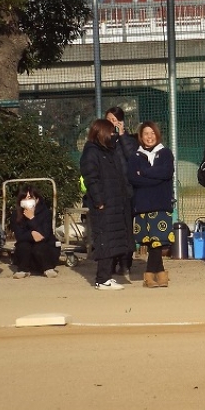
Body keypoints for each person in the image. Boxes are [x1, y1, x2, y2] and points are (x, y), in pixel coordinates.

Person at [80, 119, 134, 290]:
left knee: (113, 241)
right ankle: (102, 279)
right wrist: (99, 201)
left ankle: (106, 277)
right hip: (103, 205)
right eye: (110, 132)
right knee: (105, 240)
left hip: (115, 202)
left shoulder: (109, 150)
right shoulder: (91, 152)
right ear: (101, 133)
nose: (113, 135)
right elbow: (91, 179)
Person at [127, 121, 175, 287]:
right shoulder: (135, 156)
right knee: (151, 241)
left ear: (157, 135)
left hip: (161, 203)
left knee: (158, 240)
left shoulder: (165, 153)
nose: (149, 137)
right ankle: (159, 274)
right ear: (141, 136)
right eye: (146, 134)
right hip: (143, 204)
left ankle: (151, 274)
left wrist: (144, 173)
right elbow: (133, 178)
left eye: (152, 133)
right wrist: (156, 180)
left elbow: (167, 172)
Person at [105, 106, 138, 278]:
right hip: (109, 192)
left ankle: (125, 263)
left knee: (126, 228)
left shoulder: (129, 140)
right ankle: (111, 261)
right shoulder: (102, 141)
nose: (112, 124)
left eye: (115, 120)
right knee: (110, 228)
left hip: (127, 192)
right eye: (109, 120)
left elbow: (133, 157)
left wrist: (122, 135)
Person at [10, 186, 60, 279]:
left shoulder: (45, 213)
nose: (27, 201)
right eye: (24, 198)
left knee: (40, 247)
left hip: (45, 248)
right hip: (26, 247)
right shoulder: (16, 214)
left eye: (30, 198)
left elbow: (45, 235)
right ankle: (23, 269)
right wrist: (31, 234)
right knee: (23, 246)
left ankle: (47, 268)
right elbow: (19, 235)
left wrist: (32, 218)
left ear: (37, 199)